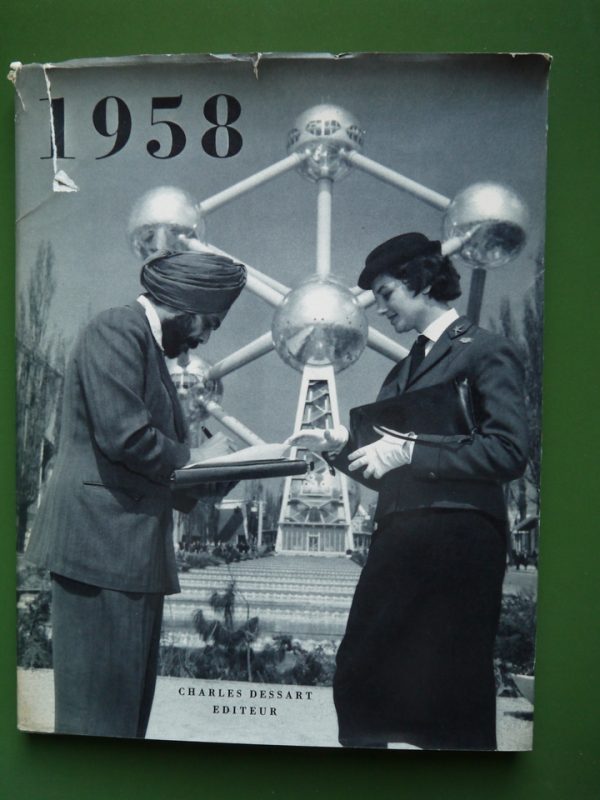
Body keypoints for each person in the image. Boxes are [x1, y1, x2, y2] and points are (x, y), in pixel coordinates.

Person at [289, 233, 528, 750]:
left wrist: (412, 452)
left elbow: (509, 451)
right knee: (359, 679)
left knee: (452, 691)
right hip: (398, 539)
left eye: (387, 294)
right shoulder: (402, 371)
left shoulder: (487, 351)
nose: (380, 309)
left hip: (461, 540)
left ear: (420, 281)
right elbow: (383, 468)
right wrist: (338, 447)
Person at [25, 250, 246, 738]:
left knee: (121, 722)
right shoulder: (117, 330)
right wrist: (199, 458)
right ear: (187, 306)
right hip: (103, 550)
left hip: (125, 554)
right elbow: (125, 438)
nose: (205, 338)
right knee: (98, 724)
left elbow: (144, 457)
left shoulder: (141, 342)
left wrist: (220, 472)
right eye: (209, 323)